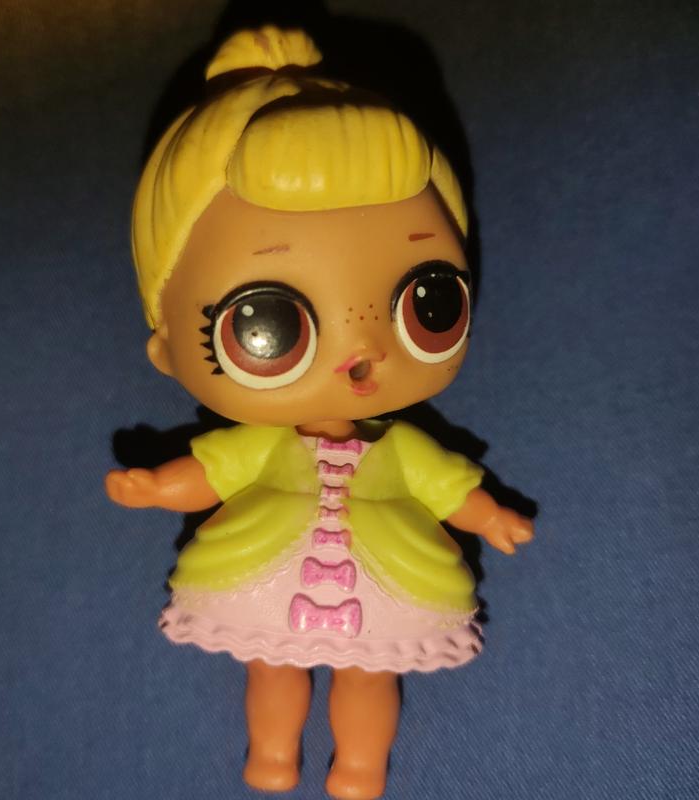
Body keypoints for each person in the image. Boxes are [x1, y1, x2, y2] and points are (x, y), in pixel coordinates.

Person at [106, 25, 533, 800]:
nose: (361, 350)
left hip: (390, 583)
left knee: (370, 678)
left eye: (429, 301)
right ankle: (273, 752)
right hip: (265, 574)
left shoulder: (404, 450)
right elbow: (209, 472)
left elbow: (449, 490)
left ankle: (360, 766)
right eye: (269, 322)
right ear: (167, 343)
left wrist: (491, 516)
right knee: (272, 669)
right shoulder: (259, 447)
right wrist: (157, 486)